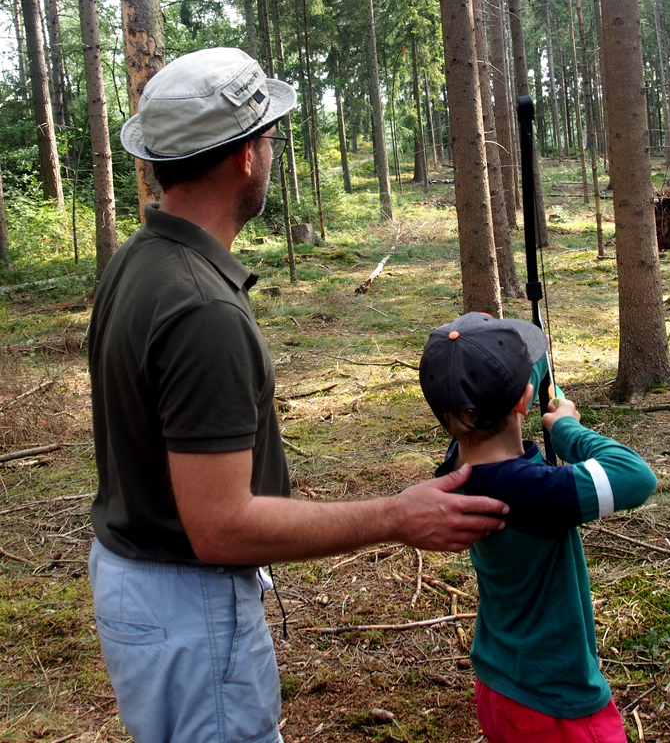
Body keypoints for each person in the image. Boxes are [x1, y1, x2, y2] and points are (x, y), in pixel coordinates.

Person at [87, 47, 510, 743]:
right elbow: (219, 526)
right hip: (187, 609)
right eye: (272, 138)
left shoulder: (142, 259)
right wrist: (396, 516)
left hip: (146, 587)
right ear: (246, 157)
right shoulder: (200, 309)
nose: (272, 153)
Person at [419, 311, 658, 743]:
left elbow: (491, 389)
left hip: (499, 685)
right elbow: (637, 477)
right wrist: (567, 428)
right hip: (554, 706)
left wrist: (517, 359)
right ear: (524, 401)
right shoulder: (532, 493)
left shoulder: (460, 460)